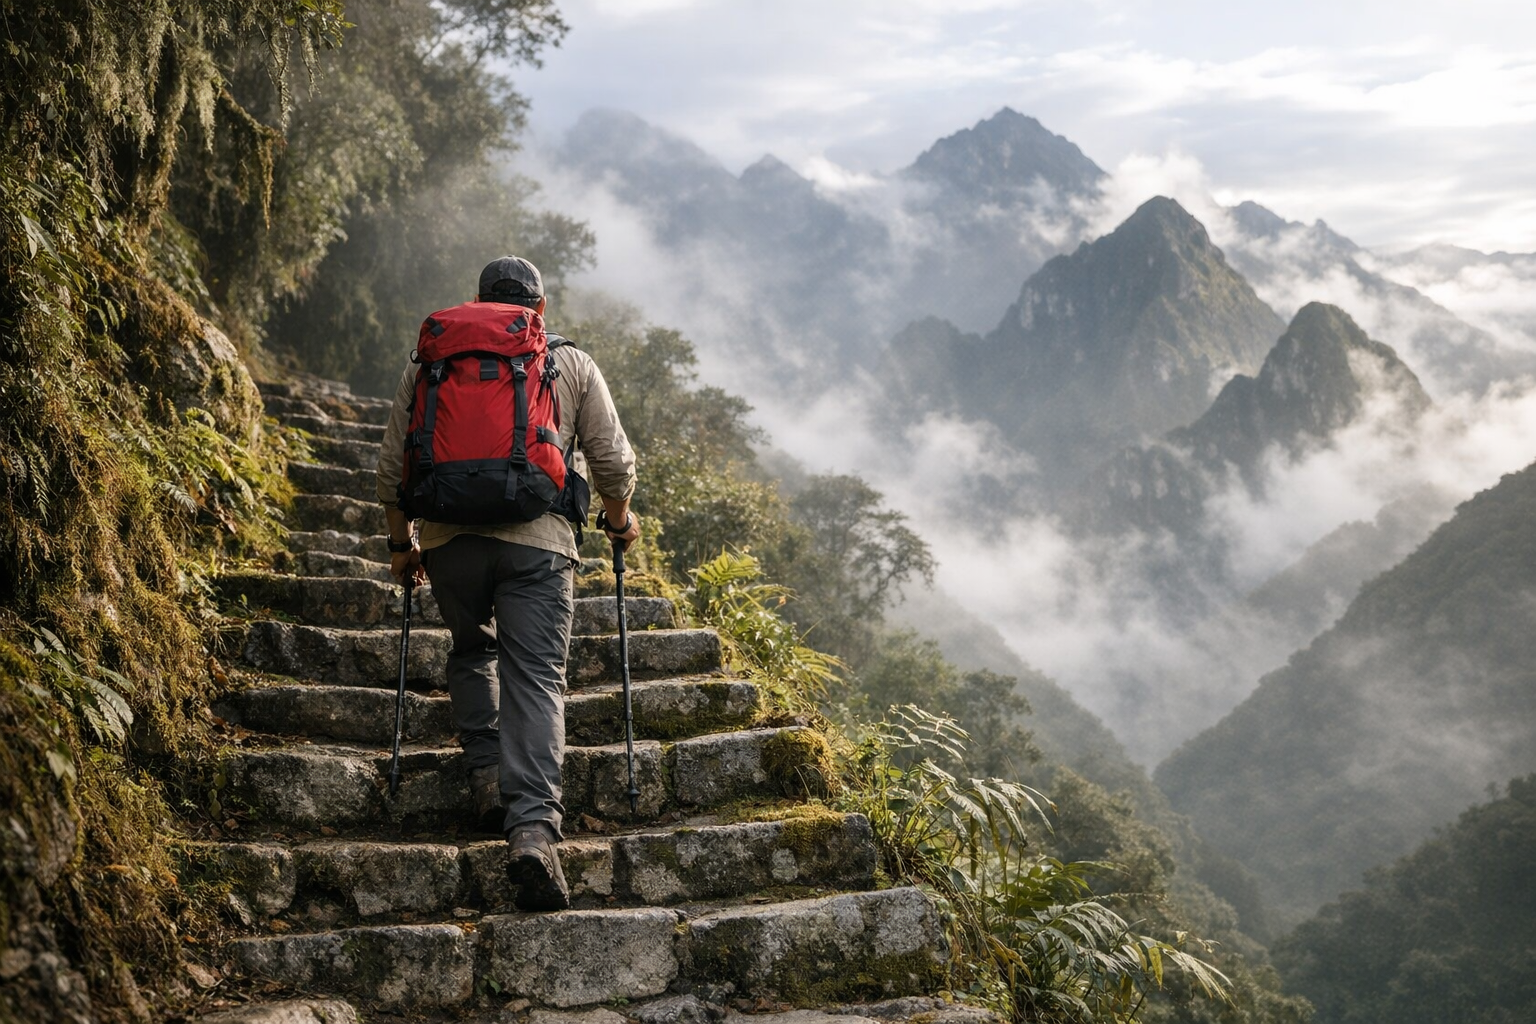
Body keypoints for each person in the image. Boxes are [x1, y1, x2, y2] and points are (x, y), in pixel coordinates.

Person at [375, 255, 640, 911]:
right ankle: (531, 833)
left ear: (478, 301)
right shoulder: (567, 362)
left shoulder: (431, 359)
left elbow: (391, 465)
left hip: (448, 540)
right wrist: (618, 520)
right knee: (536, 676)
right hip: (539, 545)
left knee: (473, 650)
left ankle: (488, 774)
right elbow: (611, 458)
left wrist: (402, 545)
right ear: (538, 310)